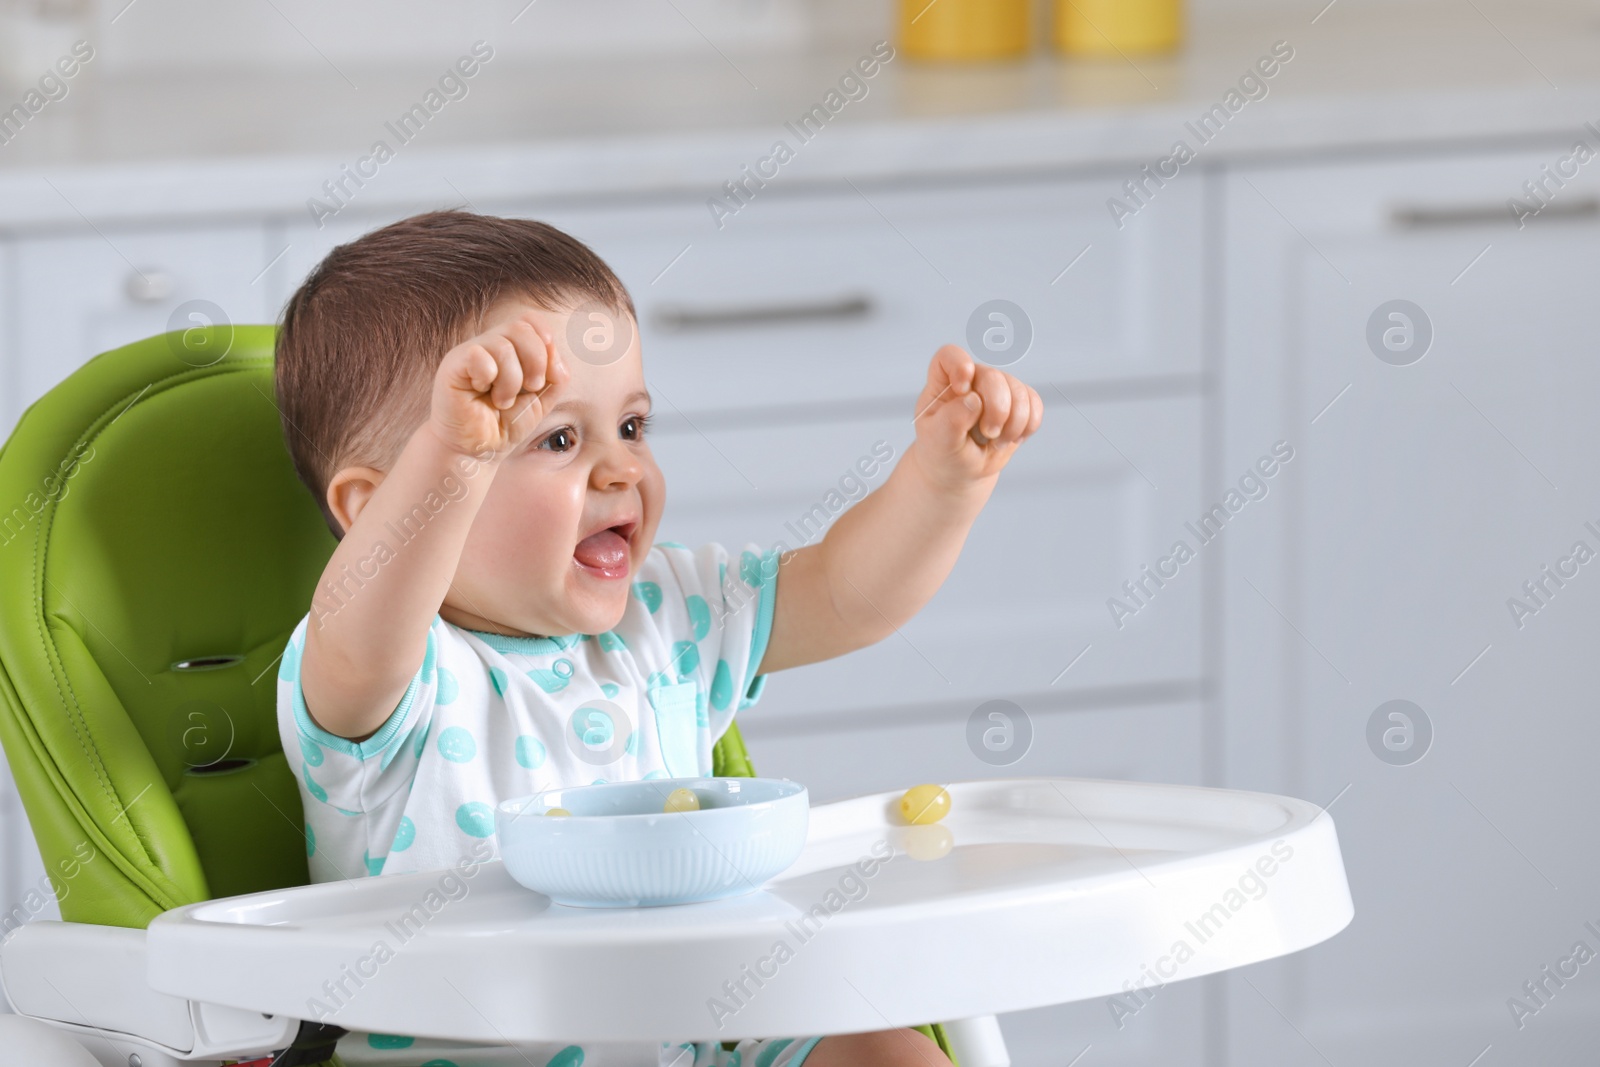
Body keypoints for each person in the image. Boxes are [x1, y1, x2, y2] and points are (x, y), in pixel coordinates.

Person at [273, 210, 1042, 1066]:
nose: (619, 469)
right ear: (372, 508)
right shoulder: (392, 682)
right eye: (557, 438)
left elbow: (843, 592)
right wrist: (451, 458)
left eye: (632, 426)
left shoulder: (666, 612)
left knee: (881, 1047)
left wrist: (940, 483)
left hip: (694, 1042)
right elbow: (363, 628)